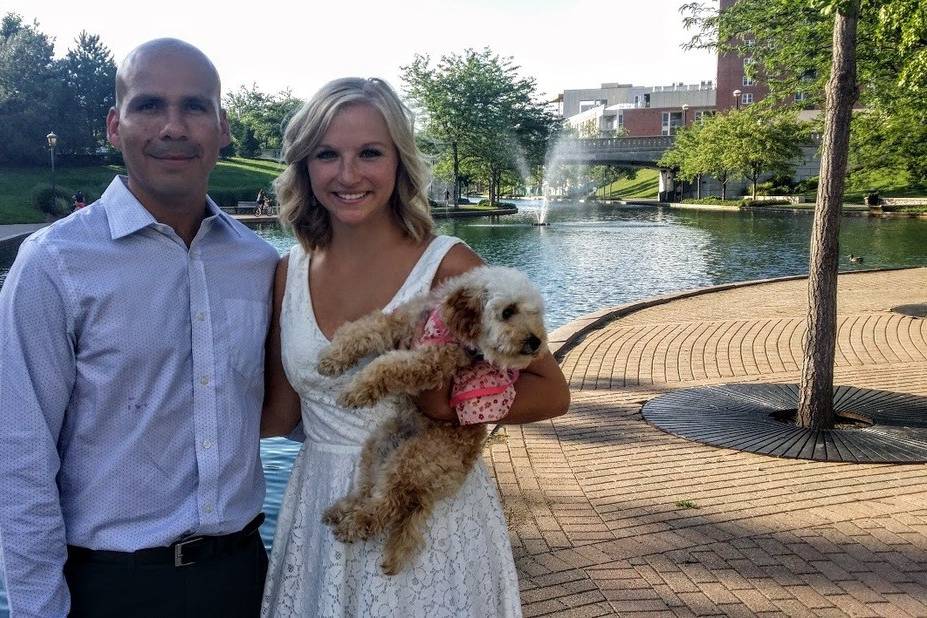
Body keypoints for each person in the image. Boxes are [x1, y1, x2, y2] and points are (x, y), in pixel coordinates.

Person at [259, 77, 570, 616]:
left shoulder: (451, 268)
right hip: (320, 508)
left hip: (432, 518)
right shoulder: (289, 271)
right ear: (305, 167)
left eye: (370, 153)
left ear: (400, 163)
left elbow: (550, 393)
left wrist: (450, 407)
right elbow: (283, 412)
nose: (348, 174)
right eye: (327, 154)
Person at [0, 39, 278, 617]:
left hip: (243, 578)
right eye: (149, 104)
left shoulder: (257, 263)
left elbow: (294, 406)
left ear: (222, 126)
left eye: (195, 107)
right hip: (110, 589)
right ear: (114, 125)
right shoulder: (53, 264)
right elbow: (20, 459)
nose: (173, 126)